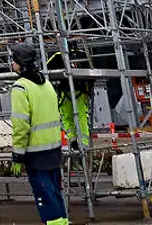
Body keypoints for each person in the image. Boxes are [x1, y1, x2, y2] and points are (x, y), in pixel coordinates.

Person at [10, 43, 69, 225]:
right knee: (55, 193)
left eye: (13, 60)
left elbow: (21, 125)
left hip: (35, 153)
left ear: (20, 62)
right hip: (54, 149)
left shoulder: (20, 88)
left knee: (44, 196)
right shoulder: (47, 84)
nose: (12, 64)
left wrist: (17, 155)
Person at [46, 49, 92, 150]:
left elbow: (46, 70)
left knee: (69, 117)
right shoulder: (82, 54)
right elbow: (91, 73)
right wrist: (89, 90)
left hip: (70, 92)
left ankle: (76, 141)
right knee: (79, 117)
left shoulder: (58, 55)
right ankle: (78, 142)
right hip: (75, 91)